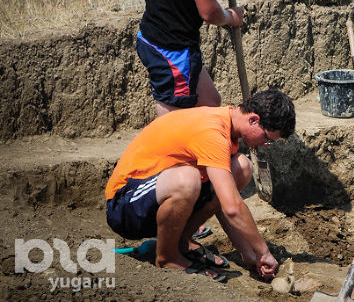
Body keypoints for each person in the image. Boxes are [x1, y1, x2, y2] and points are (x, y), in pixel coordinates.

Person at [104, 89, 295, 282]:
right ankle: (167, 257)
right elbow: (232, 208)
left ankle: (181, 242)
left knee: (241, 167)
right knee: (188, 179)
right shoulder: (213, 132)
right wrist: (263, 252)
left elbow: (222, 201)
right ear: (253, 120)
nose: (265, 145)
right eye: (267, 139)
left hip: (158, 198)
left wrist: (248, 253)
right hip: (125, 205)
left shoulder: (226, 125)